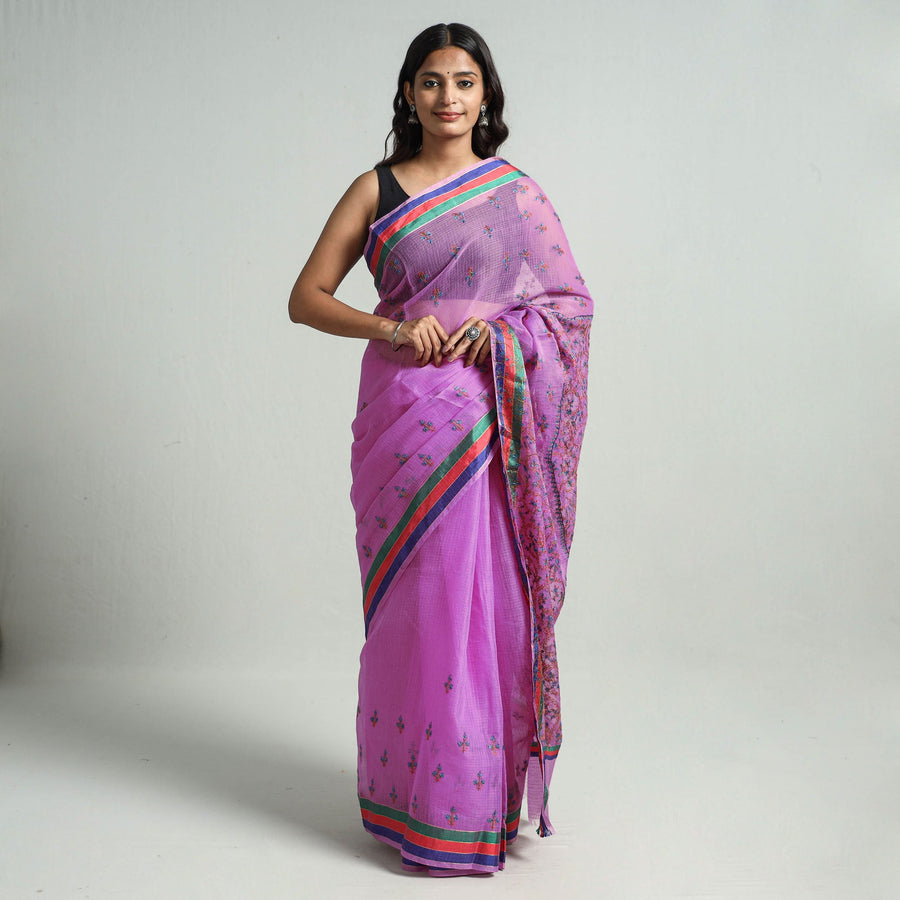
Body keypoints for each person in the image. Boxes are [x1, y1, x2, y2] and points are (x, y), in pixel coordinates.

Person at [288, 22, 592, 876]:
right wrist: (391, 326)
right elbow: (306, 297)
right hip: (403, 421)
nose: (447, 97)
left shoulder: (516, 195)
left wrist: (498, 337)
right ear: (409, 93)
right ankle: (409, 801)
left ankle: (474, 803)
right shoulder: (376, 189)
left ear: (485, 94)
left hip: (490, 421)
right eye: (431, 81)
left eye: (463, 81)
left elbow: (570, 307)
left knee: (482, 603)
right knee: (416, 606)